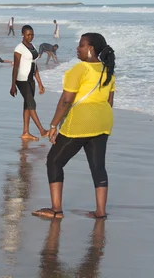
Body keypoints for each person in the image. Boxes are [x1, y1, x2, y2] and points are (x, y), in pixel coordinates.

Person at [33, 33, 116, 219]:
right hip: (103, 121)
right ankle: (100, 211)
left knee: (54, 161)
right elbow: (109, 102)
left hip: (81, 121)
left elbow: (66, 100)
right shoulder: (108, 70)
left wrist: (53, 125)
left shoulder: (79, 69)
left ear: (91, 49)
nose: (77, 49)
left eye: (81, 45)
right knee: (98, 166)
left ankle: (56, 210)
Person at [10, 25, 48, 140]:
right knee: (32, 104)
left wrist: (40, 83)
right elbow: (15, 67)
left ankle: (25, 132)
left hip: (30, 80)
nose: (30, 36)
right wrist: (13, 85)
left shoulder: (33, 46)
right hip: (22, 80)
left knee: (27, 105)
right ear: (22, 34)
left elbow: (34, 66)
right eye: (28, 34)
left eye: (32, 34)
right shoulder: (19, 48)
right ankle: (41, 130)